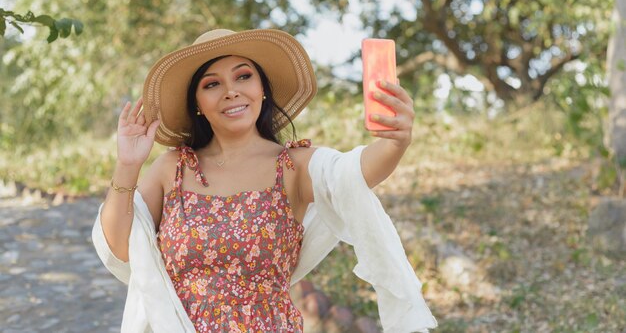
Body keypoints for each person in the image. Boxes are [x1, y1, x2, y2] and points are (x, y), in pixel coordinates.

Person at [92, 28, 437, 333]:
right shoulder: (173, 169)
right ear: (197, 103)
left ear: (262, 89)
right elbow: (121, 248)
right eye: (212, 84)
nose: (231, 91)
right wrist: (127, 164)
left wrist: (395, 141)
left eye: (243, 77)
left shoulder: (293, 166)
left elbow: (353, 173)